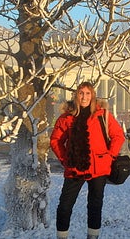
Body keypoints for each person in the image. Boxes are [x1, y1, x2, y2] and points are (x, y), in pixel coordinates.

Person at [50, 81, 125, 239]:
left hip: (98, 168)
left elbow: (118, 136)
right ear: (76, 95)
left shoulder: (102, 114)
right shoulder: (67, 117)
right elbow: (56, 140)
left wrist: (110, 156)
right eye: (81, 93)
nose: (84, 96)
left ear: (92, 96)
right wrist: (65, 159)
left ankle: (93, 237)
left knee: (95, 206)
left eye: (88, 93)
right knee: (64, 207)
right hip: (74, 168)